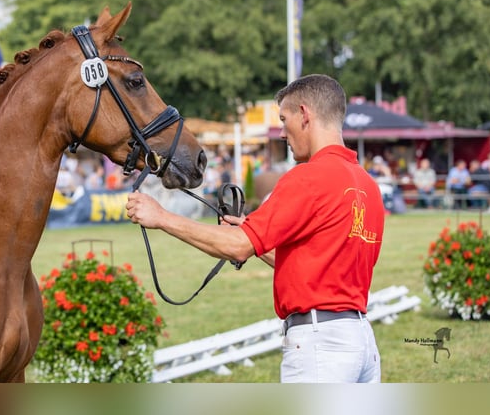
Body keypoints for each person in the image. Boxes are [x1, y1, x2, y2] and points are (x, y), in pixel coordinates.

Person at [126, 74, 384, 383]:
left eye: (284, 119)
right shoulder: (367, 184)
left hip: (320, 347)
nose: (282, 134)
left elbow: (237, 246)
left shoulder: (307, 177)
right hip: (360, 340)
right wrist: (254, 234)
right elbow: (319, 265)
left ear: (304, 115)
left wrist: (161, 217)